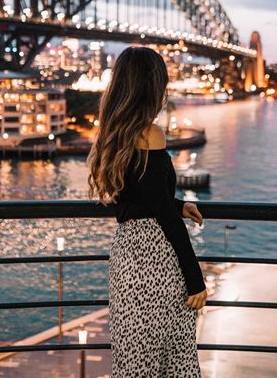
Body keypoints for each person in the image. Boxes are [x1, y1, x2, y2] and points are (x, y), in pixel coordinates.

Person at [87, 46, 207, 377]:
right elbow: (162, 217)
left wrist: (180, 205)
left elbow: (137, 198)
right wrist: (195, 279)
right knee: (174, 359)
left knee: (136, 360)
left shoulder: (114, 135)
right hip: (157, 261)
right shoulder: (151, 134)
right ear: (152, 87)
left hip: (126, 258)